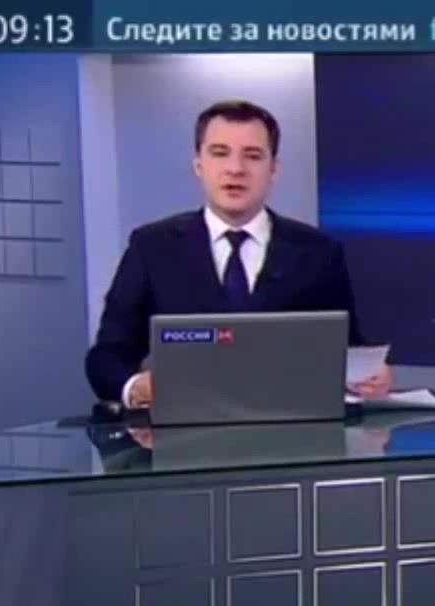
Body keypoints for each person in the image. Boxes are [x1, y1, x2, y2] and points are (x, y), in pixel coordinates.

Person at [85, 100, 393, 409]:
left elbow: (348, 349)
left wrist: (371, 376)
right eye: (220, 153)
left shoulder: (318, 252)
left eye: (253, 156)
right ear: (199, 165)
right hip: (185, 430)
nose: (235, 169)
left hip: (290, 427)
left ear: (273, 169)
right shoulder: (152, 247)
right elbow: (107, 355)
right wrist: (137, 387)